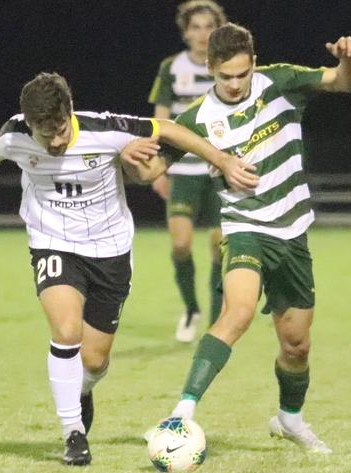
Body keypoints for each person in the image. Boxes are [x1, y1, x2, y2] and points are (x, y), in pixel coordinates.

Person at [0, 72, 258, 466]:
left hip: (110, 252)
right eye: (46, 136)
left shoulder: (105, 128)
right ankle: (73, 434)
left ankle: (81, 389)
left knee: (94, 361)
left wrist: (223, 160)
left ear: (69, 113)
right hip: (52, 243)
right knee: (66, 331)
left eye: (60, 130)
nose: (56, 142)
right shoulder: (14, 135)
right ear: (30, 125)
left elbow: (171, 129)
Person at [154, 23, 351, 453]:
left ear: (253, 63)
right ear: (210, 68)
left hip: (292, 231)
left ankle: (289, 419)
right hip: (244, 227)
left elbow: (344, 82)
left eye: (241, 74)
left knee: (297, 345)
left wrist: (349, 59)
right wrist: (131, 158)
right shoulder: (196, 118)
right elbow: (149, 168)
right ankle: (182, 413)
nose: (234, 84)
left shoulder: (280, 82)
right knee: (239, 311)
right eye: (224, 76)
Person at [148, 0, 228, 343]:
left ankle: (215, 322)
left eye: (208, 27)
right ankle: (192, 309)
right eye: (195, 27)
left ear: (218, 31)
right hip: (182, 170)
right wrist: (158, 169)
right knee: (181, 244)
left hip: (218, 169)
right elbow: (160, 121)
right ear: (185, 33)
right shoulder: (171, 67)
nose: (201, 34)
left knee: (218, 247)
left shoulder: (229, 67)